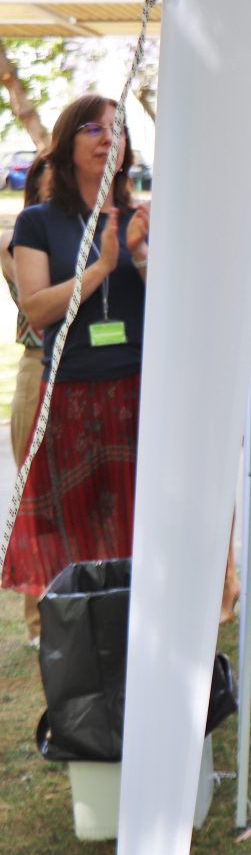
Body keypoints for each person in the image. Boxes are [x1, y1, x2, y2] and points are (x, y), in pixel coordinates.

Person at [1, 95, 149, 610]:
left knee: (137, 532)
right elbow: (37, 309)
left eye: (118, 129)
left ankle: (139, 640)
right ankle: (84, 640)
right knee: (72, 537)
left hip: (137, 393)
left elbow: (175, 306)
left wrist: (140, 255)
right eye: (94, 128)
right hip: (69, 395)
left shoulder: (142, 216)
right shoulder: (38, 222)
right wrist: (101, 267)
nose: (109, 138)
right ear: (67, 144)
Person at [0, 154, 49, 644]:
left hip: (94, 369)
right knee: (36, 491)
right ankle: (39, 619)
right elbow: (35, 306)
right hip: (40, 366)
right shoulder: (19, 240)